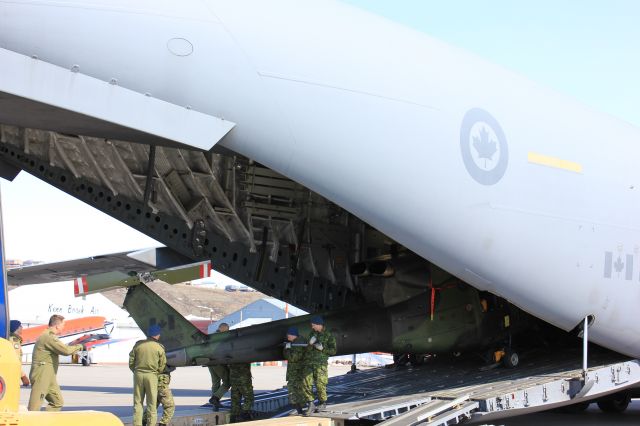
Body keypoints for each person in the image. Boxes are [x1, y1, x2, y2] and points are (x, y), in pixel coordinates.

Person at [27, 314, 83, 411]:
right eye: (63, 325)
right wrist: (80, 346)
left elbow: (63, 348)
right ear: (57, 325)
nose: (64, 327)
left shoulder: (48, 336)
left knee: (57, 402)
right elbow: (65, 351)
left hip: (49, 375)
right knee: (34, 407)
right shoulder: (49, 337)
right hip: (42, 375)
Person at [129, 324, 166, 426]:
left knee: (138, 402)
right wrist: (155, 372)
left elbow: (131, 361)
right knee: (151, 403)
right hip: (152, 376)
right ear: (158, 335)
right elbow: (162, 364)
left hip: (138, 375)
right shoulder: (159, 347)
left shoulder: (138, 345)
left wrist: (137, 371)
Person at [306, 316, 337, 413]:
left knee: (320, 384)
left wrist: (323, 349)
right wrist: (310, 344)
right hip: (310, 363)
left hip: (321, 365)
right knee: (307, 383)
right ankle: (311, 403)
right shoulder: (312, 334)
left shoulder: (329, 335)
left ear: (319, 325)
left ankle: (322, 403)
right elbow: (307, 350)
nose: (312, 327)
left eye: (314, 325)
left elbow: (333, 351)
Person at [283, 326, 312, 415]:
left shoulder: (299, 343)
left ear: (293, 335)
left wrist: (287, 349)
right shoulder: (296, 342)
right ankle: (299, 409)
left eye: (288, 335)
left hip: (299, 372)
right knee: (295, 391)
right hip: (295, 372)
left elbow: (293, 358)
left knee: (301, 390)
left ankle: (310, 405)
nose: (287, 336)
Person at [207, 322, 230, 410]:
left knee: (215, 383)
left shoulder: (211, 336)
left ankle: (215, 405)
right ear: (222, 329)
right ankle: (215, 398)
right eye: (227, 330)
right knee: (227, 382)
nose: (227, 332)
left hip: (209, 363)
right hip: (218, 363)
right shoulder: (222, 337)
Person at [9, 320, 30, 386]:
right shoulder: (14, 341)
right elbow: (15, 360)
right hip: (12, 373)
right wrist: (23, 376)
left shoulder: (14, 339)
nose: (22, 327)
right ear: (16, 328)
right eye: (20, 326)